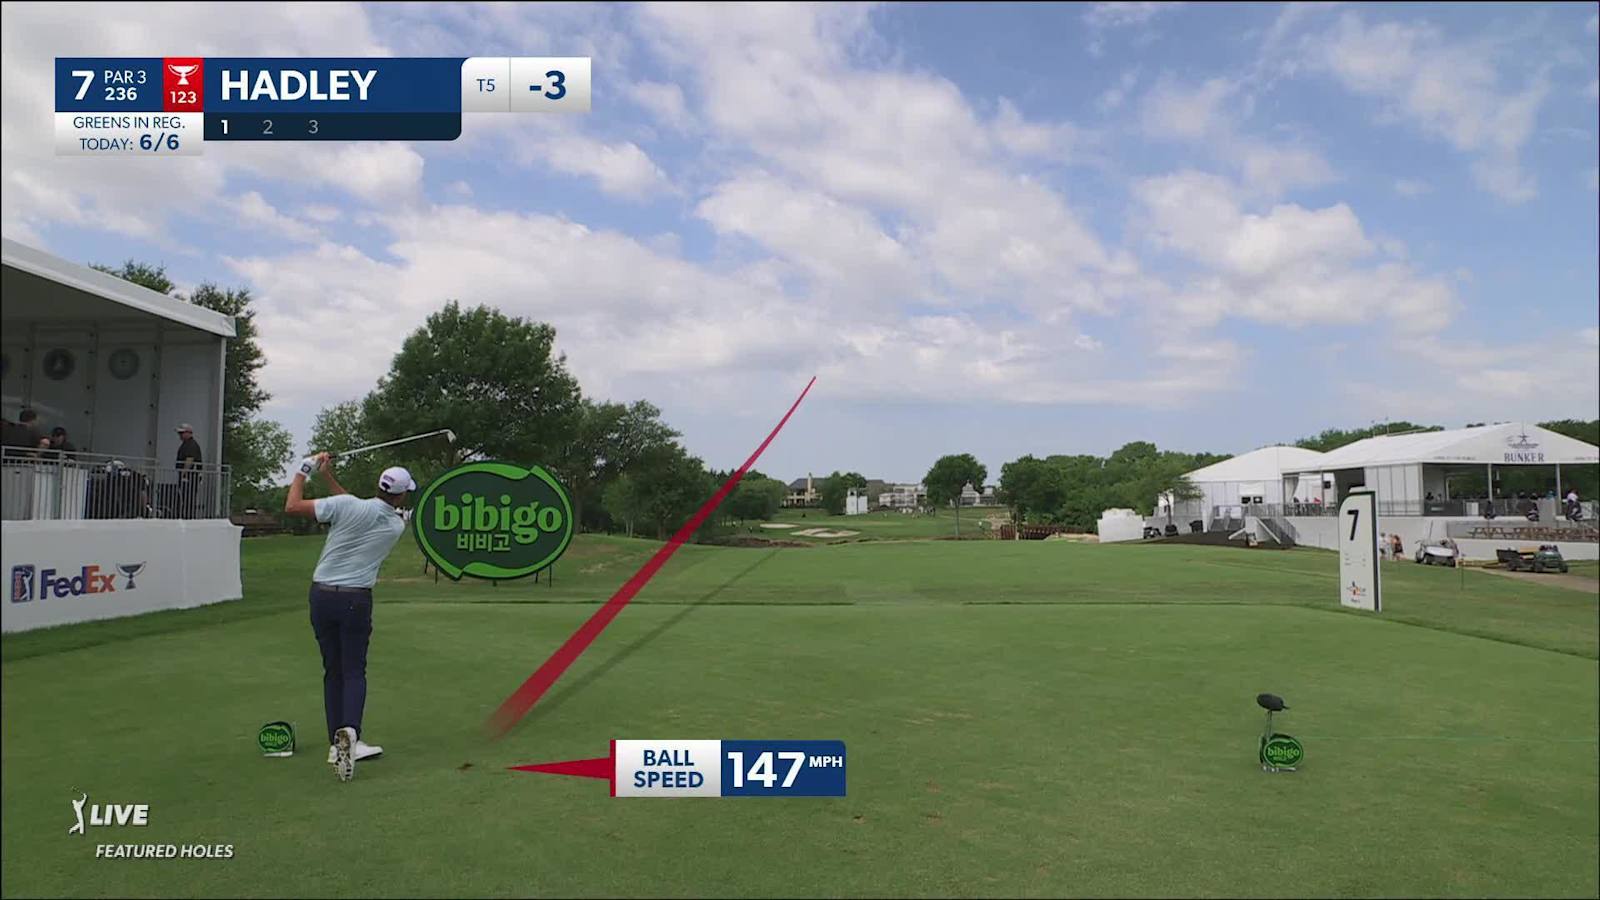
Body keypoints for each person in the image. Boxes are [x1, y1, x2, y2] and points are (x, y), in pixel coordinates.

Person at [283, 452, 415, 782]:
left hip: (321, 596)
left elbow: (293, 506)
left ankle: (335, 742)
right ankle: (351, 736)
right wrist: (327, 476)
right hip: (356, 599)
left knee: (334, 670)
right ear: (400, 495)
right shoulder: (395, 524)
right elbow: (357, 505)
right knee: (354, 670)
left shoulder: (349, 507)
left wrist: (305, 468)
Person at [174, 424, 203, 517]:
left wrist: (184, 474)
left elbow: (189, 459)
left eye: (182, 433)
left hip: (190, 477)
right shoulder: (187, 444)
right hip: (189, 476)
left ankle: (189, 517)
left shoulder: (191, 445)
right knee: (185, 498)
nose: (180, 435)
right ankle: (187, 515)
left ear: (188, 433)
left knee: (188, 498)